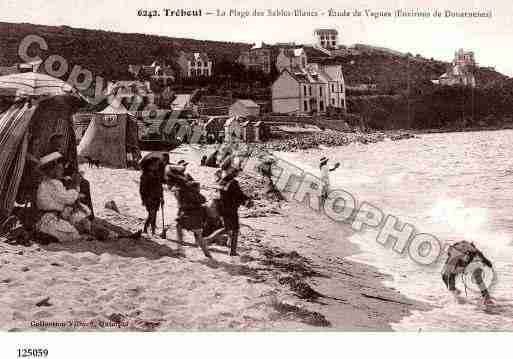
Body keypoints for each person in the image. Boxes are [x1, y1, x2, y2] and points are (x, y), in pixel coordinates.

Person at [205, 168, 252, 256]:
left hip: (222, 208)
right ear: (234, 173)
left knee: (229, 228)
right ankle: (209, 240)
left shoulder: (222, 182)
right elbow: (239, 195)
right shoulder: (233, 183)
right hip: (230, 209)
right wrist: (247, 200)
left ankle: (210, 241)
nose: (237, 174)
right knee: (234, 229)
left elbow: (231, 194)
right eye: (236, 172)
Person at [441, 240, 495, 305]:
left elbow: (477, 253)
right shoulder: (454, 258)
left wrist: (486, 261)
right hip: (463, 255)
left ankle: (486, 297)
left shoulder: (463, 250)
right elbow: (445, 275)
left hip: (465, 253)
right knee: (450, 275)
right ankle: (486, 297)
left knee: (476, 275)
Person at [174, 177, 213, 259]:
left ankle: (179, 248)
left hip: (187, 217)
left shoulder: (185, 195)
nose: (200, 189)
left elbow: (182, 205)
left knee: (179, 228)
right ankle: (207, 253)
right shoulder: (199, 196)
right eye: (199, 187)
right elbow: (203, 202)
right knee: (199, 236)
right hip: (195, 219)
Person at [139, 157, 164, 236]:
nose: (157, 165)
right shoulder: (145, 176)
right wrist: (144, 199)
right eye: (155, 164)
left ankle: (151, 230)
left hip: (156, 197)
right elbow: (142, 189)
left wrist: (162, 197)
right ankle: (147, 229)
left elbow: (160, 187)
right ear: (149, 165)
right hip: (149, 198)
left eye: (156, 164)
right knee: (152, 214)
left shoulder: (157, 174)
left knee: (154, 214)